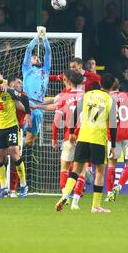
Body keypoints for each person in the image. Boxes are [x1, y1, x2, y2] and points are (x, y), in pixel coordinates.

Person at [55, 73, 117, 213]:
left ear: (101, 83)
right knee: (100, 172)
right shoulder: (110, 100)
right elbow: (113, 125)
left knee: (76, 169)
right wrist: (113, 145)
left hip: (83, 137)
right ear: (113, 86)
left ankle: (65, 196)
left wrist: (71, 132)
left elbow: (76, 112)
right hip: (98, 139)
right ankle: (95, 206)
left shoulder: (88, 94)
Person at [0, 76, 31, 198]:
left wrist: (28, 113)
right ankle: (3, 187)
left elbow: (24, 97)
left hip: (12, 127)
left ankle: (24, 185)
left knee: (14, 152)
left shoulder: (9, 92)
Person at [49, 71, 87, 209]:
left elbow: (57, 120)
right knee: (82, 170)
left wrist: (54, 138)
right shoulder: (87, 96)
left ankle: (65, 197)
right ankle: (76, 202)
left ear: (69, 82)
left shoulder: (64, 97)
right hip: (86, 137)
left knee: (65, 168)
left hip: (69, 137)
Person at [22, 27, 51, 148]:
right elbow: (28, 50)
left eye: (38, 57)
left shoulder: (45, 70)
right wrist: (36, 37)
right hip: (26, 104)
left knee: (29, 142)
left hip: (39, 107)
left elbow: (48, 52)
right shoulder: (26, 69)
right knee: (19, 134)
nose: (37, 58)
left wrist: (44, 38)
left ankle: (20, 158)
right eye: (34, 57)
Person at [6, 76, 31, 198]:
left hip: (16, 130)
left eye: (21, 83)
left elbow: (21, 106)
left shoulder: (22, 95)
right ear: (10, 84)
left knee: (15, 159)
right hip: (1, 128)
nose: (20, 85)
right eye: (17, 83)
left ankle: (13, 189)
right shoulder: (2, 91)